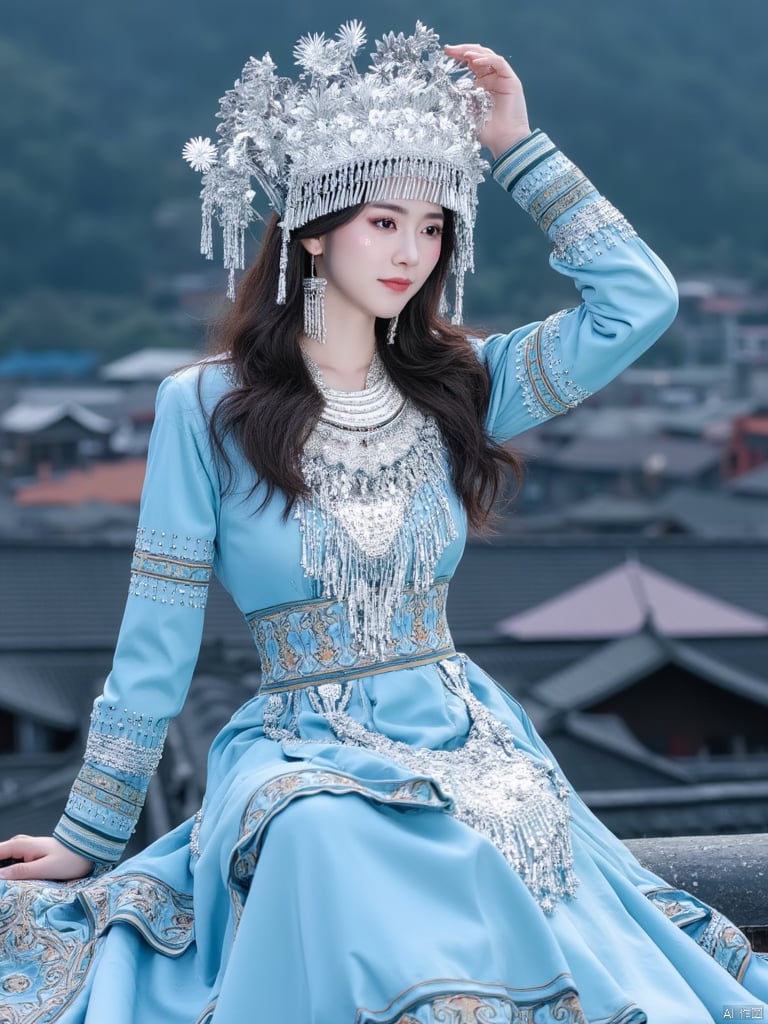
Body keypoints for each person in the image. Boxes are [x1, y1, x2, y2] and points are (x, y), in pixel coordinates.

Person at [0, 21, 765, 1024]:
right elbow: (158, 638)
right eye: (383, 222)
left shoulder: (464, 388)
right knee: (320, 830)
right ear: (315, 229)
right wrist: (90, 834)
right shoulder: (207, 408)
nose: (414, 252)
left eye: (434, 226)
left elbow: (639, 303)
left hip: (467, 736)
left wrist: (519, 149)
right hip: (297, 744)